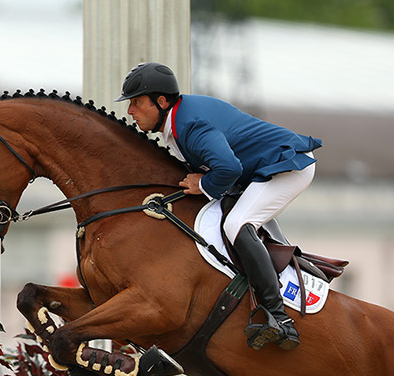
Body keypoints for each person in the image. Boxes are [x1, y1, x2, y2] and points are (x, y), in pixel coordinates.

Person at [115, 62, 321, 351]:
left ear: (161, 102)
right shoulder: (178, 120)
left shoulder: (190, 125)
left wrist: (203, 185)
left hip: (287, 167)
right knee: (236, 218)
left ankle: (279, 318)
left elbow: (228, 168)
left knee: (236, 224)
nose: (130, 111)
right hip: (263, 168)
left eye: (136, 102)